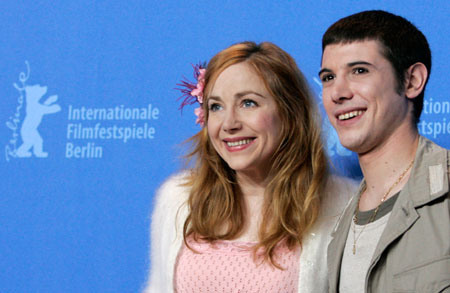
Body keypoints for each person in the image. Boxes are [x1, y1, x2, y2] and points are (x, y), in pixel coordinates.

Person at [144, 41, 356, 292]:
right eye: (216, 106)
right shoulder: (177, 200)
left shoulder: (343, 206)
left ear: (290, 112)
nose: (229, 123)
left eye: (248, 103)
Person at [319, 10, 450, 292]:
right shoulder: (338, 222)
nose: (337, 93)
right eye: (328, 77)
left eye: (359, 71)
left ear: (412, 80)